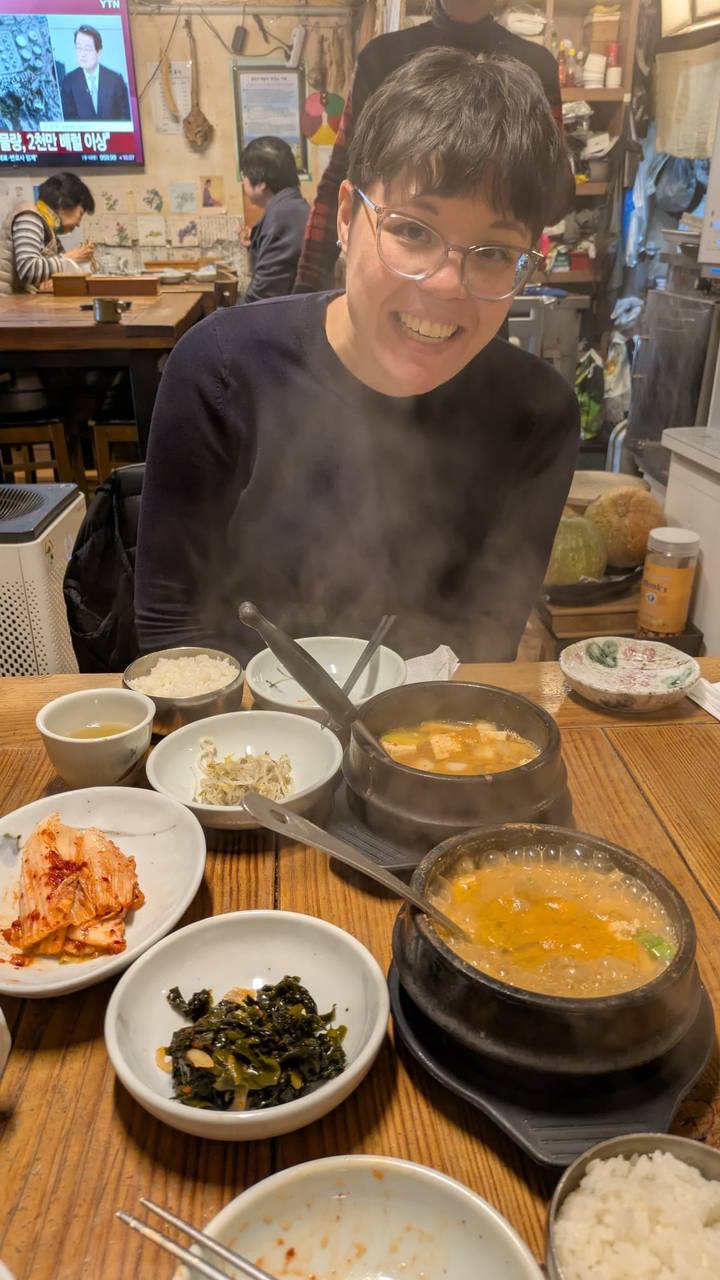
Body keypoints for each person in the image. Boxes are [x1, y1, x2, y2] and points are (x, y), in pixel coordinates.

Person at [135, 50, 579, 665]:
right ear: (346, 217)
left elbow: (487, 640)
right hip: (241, 741)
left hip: (428, 739)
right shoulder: (220, 370)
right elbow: (170, 629)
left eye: (495, 252)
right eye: (414, 232)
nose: (449, 284)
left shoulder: (537, 413)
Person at [295, 0, 570, 293]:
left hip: (480, 290)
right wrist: (305, 293)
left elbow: (553, 197)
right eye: (413, 229)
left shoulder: (536, 67)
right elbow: (341, 176)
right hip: (395, 279)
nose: (444, 286)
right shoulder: (382, 58)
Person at [238, 136, 310, 303]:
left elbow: (263, 295)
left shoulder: (284, 216)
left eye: (245, 176)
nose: (243, 182)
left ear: (262, 183)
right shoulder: (289, 207)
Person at [0, 172, 95, 294]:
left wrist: (78, 259)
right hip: (6, 305)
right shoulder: (29, 217)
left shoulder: (49, 229)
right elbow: (28, 270)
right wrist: (70, 258)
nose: (78, 224)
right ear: (62, 202)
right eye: (80, 214)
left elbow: (57, 270)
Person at [61, 25, 131, 122]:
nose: (82, 54)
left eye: (87, 49)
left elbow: (125, 118)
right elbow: (69, 121)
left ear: (99, 52)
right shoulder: (69, 81)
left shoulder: (115, 80)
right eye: (79, 48)